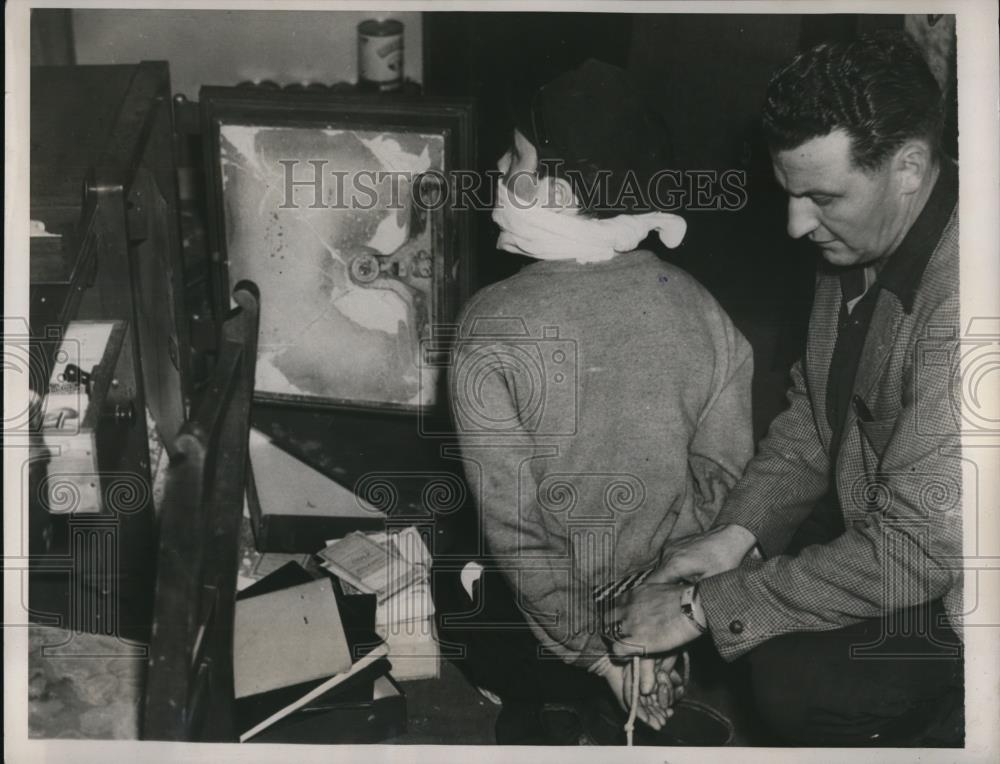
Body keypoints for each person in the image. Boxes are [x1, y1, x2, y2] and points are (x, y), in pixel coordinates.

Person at [609, 31, 963, 747]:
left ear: (909, 166)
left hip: (956, 575)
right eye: (791, 194)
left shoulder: (971, 300)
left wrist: (702, 606)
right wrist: (734, 539)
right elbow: (814, 416)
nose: (796, 223)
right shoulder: (861, 235)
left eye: (822, 197)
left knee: (796, 683)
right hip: (887, 515)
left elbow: (918, 551)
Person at [445, 59, 754, 744]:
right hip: (671, 612)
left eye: (516, 156)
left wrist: (597, 653)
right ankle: (657, 686)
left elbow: (516, 531)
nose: (499, 167)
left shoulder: (488, 324)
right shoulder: (704, 312)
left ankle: (557, 697)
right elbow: (725, 490)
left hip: (550, 624)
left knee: (455, 585)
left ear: (558, 187)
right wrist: (654, 631)